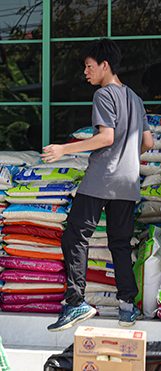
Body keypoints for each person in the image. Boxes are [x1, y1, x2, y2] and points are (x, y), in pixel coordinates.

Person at [43, 38, 153, 331]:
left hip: (102, 178)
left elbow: (106, 137)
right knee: (119, 243)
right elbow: (147, 142)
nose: (86, 72)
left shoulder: (104, 96)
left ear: (105, 65)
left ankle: (75, 302)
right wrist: (127, 159)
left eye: (89, 66)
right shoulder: (135, 98)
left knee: (75, 237)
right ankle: (127, 308)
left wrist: (63, 149)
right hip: (128, 183)